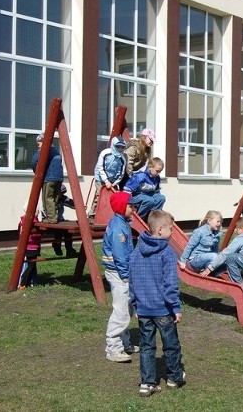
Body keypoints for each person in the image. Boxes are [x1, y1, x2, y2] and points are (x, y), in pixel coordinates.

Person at [129, 210, 186, 396]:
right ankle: (174, 377)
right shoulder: (167, 253)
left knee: (146, 346)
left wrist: (135, 304)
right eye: (171, 229)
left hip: (144, 309)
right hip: (163, 310)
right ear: (160, 230)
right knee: (171, 344)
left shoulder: (135, 253)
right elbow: (170, 283)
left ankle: (147, 383)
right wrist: (175, 307)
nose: (173, 233)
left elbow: (132, 282)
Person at [102, 191, 142, 363]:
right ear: (120, 207)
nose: (133, 209)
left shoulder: (123, 223)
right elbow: (119, 255)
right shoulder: (118, 228)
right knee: (121, 311)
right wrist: (126, 276)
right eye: (130, 206)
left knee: (127, 308)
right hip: (119, 273)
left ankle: (124, 343)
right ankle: (113, 348)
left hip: (123, 272)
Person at [89, 136, 128, 218]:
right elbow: (100, 167)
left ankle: (110, 215)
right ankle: (92, 215)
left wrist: (114, 183)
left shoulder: (122, 159)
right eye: (118, 146)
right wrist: (106, 181)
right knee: (99, 196)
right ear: (113, 145)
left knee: (114, 197)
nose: (120, 149)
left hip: (113, 181)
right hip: (100, 178)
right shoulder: (105, 153)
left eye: (122, 147)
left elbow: (121, 173)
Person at [31, 133, 64, 223]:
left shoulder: (44, 150)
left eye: (39, 144)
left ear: (43, 142)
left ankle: (51, 218)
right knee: (55, 198)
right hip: (59, 178)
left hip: (49, 178)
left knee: (47, 197)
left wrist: (36, 172)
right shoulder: (56, 151)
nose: (38, 146)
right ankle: (56, 216)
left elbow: (34, 161)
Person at [178, 210, 223, 275]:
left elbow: (215, 250)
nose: (219, 224)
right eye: (217, 221)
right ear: (209, 221)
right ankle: (209, 271)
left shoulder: (216, 234)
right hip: (196, 260)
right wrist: (183, 261)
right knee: (214, 256)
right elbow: (189, 246)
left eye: (220, 222)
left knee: (222, 258)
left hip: (207, 260)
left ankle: (211, 273)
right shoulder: (200, 231)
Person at [123, 157, 166, 221]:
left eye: (160, 171)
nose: (159, 173)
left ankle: (153, 218)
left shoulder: (157, 178)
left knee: (161, 198)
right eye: (157, 171)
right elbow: (127, 189)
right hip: (137, 196)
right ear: (150, 167)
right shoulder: (140, 175)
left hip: (149, 195)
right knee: (149, 200)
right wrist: (129, 204)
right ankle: (139, 219)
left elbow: (157, 191)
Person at [18, 203, 42, 289]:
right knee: (30, 265)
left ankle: (32, 282)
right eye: (38, 211)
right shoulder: (33, 222)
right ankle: (22, 282)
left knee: (32, 264)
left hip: (30, 246)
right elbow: (36, 234)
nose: (38, 212)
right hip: (31, 246)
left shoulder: (23, 220)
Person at [52, 184, 78, 257]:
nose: (62, 195)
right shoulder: (51, 199)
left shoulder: (61, 198)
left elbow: (69, 202)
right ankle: (57, 246)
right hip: (52, 220)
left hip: (60, 220)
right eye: (61, 193)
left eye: (63, 193)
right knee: (59, 231)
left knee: (68, 232)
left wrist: (78, 205)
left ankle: (69, 250)